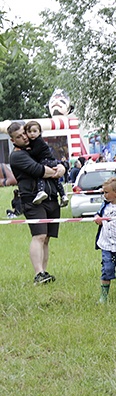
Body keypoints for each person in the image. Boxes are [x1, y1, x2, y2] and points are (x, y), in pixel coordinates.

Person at [7, 121, 67, 284]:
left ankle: (44, 272)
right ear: (13, 140)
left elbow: (54, 160)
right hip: (32, 200)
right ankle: (38, 273)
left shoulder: (36, 147)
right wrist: (58, 170)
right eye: (18, 136)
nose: (24, 137)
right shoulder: (17, 156)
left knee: (46, 237)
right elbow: (39, 170)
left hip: (51, 197)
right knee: (39, 235)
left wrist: (62, 166)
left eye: (24, 133)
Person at [23, 120, 67, 206]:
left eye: (34, 131)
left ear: (39, 132)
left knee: (41, 174)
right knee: (56, 180)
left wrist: (27, 151)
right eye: (29, 131)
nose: (32, 134)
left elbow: (35, 152)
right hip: (52, 160)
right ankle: (63, 195)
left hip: (45, 160)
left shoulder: (38, 141)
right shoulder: (36, 141)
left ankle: (41, 191)